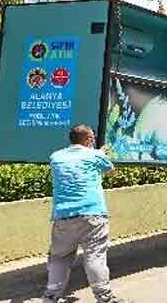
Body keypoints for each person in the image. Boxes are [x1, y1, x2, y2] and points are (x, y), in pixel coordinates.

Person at [40, 125, 129, 303]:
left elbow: (77, 166)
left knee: (60, 257)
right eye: (92, 138)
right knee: (95, 256)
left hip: (63, 216)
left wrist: (96, 154)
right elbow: (110, 172)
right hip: (93, 213)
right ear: (89, 140)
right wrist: (101, 154)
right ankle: (104, 298)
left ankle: (51, 296)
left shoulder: (56, 157)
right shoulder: (95, 155)